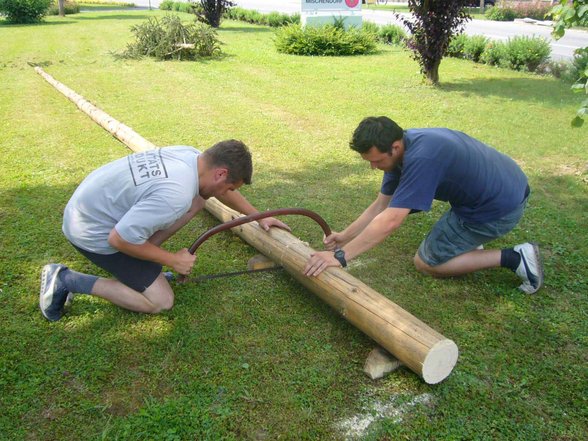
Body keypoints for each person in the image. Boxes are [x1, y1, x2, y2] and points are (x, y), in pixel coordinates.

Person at [40, 140, 290, 321]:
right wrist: (173, 260)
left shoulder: (192, 156)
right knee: (161, 302)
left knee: (198, 200)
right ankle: (65, 279)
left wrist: (259, 217)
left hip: (89, 211)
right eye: (228, 188)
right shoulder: (175, 194)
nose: (225, 194)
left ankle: (145, 271)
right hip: (92, 233)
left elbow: (216, 191)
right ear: (220, 173)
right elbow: (118, 239)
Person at [303, 116, 543, 294]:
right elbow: (381, 206)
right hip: (501, 188)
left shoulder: (422, 158)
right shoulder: (403, 148)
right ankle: (466, 247)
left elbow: (392, 220)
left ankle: (516, 258)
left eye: (376, 161)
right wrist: (344, 237)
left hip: (497, 208)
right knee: (434, 250)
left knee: (427, 262)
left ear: (394, 147)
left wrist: (341, 257)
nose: (373, 168)